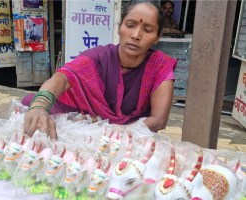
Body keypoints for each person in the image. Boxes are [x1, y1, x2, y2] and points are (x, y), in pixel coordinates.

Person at [23, 0, 177, 139]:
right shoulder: (99, 56)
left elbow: (158, 120)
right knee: (31, 103)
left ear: (157, 37)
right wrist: (40, 106)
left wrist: (114, 134)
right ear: (119, 28)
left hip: (132, 130)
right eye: (130, 25)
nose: (136, 35)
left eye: (148, 30)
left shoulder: (160, 66)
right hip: (90, 119)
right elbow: (63, 78)